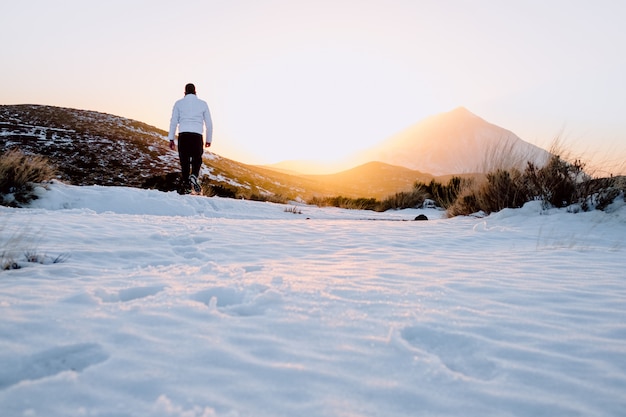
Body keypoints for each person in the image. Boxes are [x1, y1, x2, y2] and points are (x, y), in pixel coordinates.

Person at [168, 83, 213, 194]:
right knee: (197, 159)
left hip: (184, 135)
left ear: (185, 92)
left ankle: (187, 186)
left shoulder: (179, 103)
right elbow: (209, 124)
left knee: (185, 162)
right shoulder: (203, 104)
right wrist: (208, 139)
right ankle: (194, 175)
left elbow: (173, 122)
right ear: (195, 91)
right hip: (197, 136)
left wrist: (171, 139)